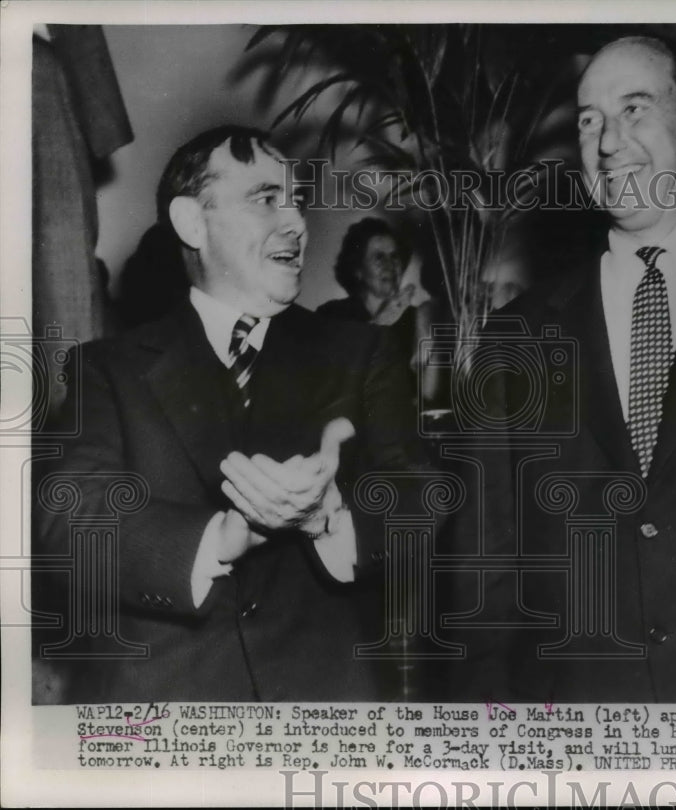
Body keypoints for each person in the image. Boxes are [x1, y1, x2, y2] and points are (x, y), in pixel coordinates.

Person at [34, 126, 425, 703]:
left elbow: (421, 494)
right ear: (193, 223)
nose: (296, 223)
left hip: (326, 704)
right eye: (266, 199)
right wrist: (220, 536)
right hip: (166, 711)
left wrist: (329, 517)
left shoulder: (362, 351)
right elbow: (68, 519)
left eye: (296, 201)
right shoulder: (107, 368)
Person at [452, 36, 676, 703]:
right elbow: (485, 576)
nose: (609, 142)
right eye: (590, 120)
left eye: (635, 110)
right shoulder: (516, 335)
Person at [317, 217, 440, 403]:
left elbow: (428, 396)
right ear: (358, 270)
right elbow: (330, 383)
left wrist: (429, 318)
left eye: (395, 256)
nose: (390, 265)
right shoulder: (332, 315)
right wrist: (380, 323)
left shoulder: (416, 317)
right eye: (379, 257)